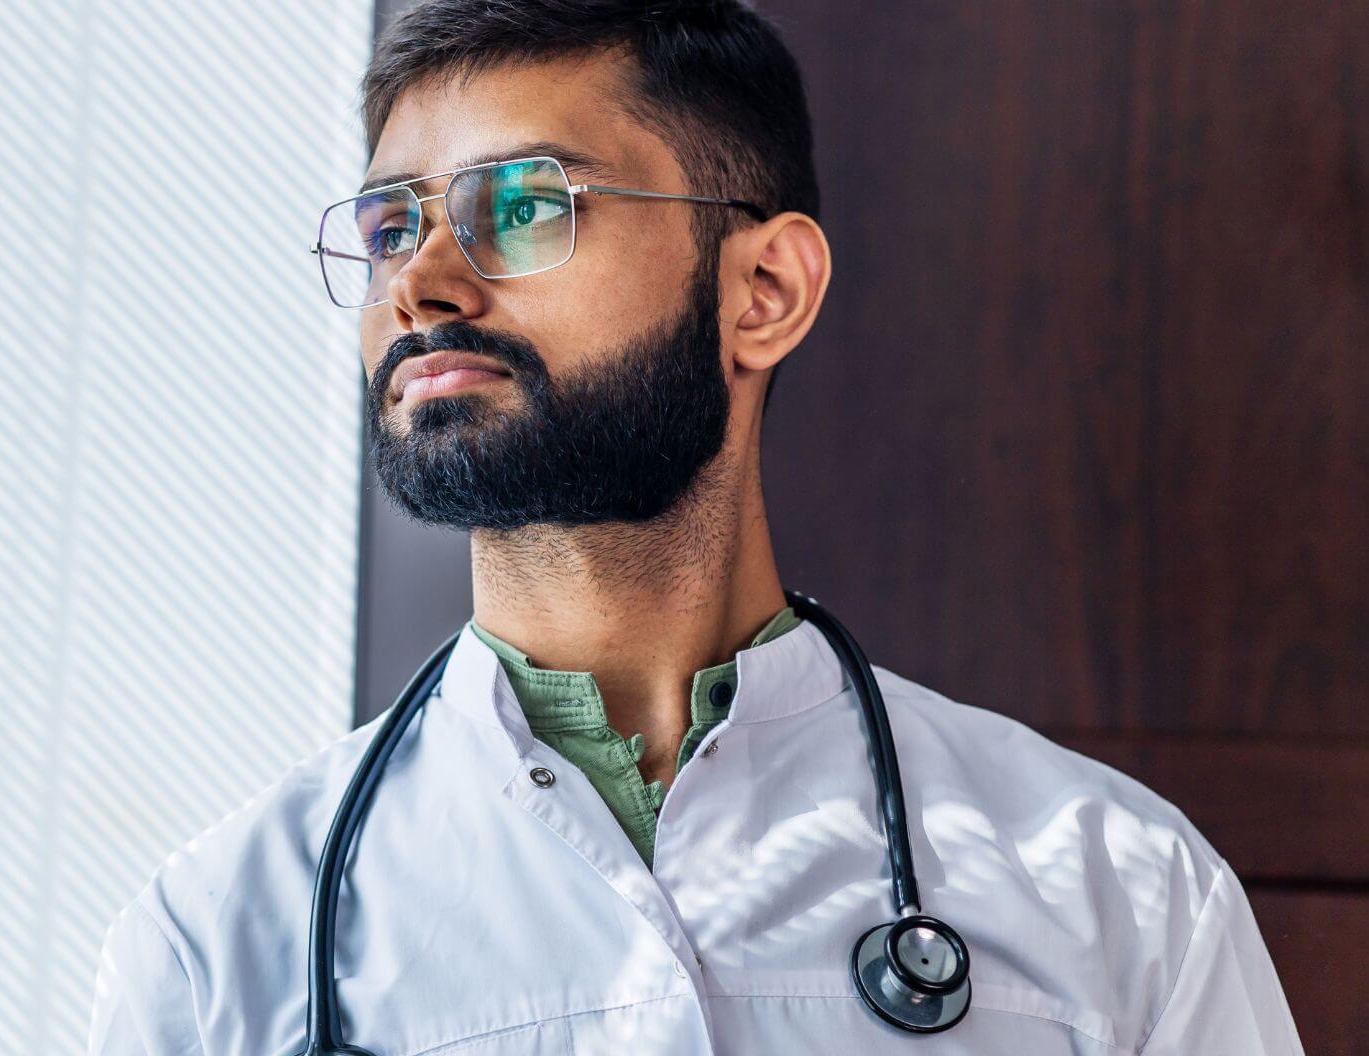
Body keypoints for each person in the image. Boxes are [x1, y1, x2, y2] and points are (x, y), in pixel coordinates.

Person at [87, 1, 1303, 1052]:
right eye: (391, 227)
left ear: (763, 292)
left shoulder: (1122, 898)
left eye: (524, 205)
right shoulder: (219, 945)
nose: (422, 281)